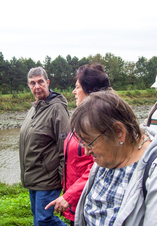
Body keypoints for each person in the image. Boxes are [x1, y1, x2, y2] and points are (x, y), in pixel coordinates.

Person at [71, 90, 157, 226]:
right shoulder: (111, 154)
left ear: (118, 132)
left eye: (90, 142)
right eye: (82, 142)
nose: (86, 151)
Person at [45, 64, 112, 225]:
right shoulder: (81, 119)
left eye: (77, 87)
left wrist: (69, 196)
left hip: (90, 201)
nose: (74, 92)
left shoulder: (97, 123)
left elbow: (97, 167)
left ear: (90, 91)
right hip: (78, 200)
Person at [19, 66, 70, 226]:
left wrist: (64, 182)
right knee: (38, 219)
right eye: (32, 83)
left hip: (47, 179)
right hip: (33, 177)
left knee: (43, 220)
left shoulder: (57, 109)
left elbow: (65, 146)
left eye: (40, 82)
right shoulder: (34, 108)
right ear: (28, 86)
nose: (37, 86)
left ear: (47, 82)